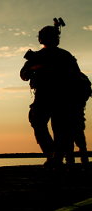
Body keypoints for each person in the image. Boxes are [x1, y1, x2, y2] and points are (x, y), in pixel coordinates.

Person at [20, 22, 90, 170]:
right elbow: (24, 74)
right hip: (42, 95)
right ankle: (52, 154)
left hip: (61, 96)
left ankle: (57, 157)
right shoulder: (37, 56)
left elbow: (76, 74)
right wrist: (35, 67)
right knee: (37, 123)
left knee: (59, 129)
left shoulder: (65, 56)